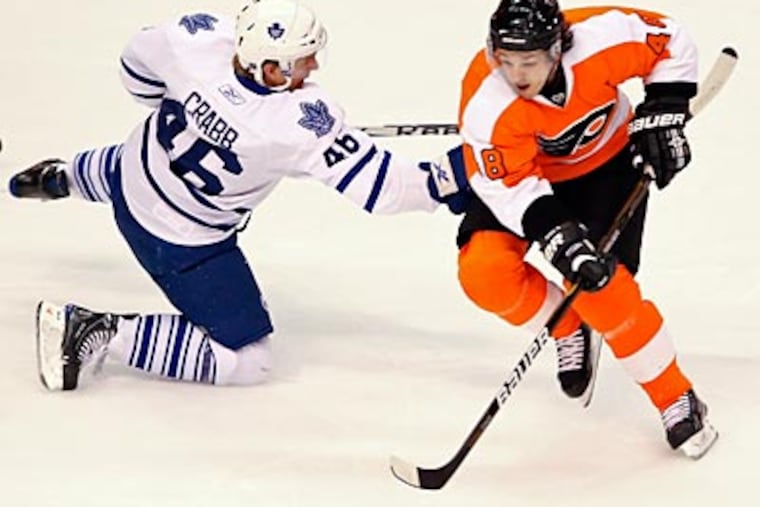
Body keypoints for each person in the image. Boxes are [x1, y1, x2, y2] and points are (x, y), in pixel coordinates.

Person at [9, 0, 469, 392]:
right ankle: (98, 332)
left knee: (144, 164)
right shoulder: (299, 124)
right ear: (272, 70)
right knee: (248, 357)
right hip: (178, 243)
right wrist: (451, 178)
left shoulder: (198, 40)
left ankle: (62, 177)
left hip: (130, 169)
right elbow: (383, 187)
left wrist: (197, 108)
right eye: (304, 58)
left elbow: (136, 69)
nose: (314, 66)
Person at [454, 0, 717, 458]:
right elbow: (509, 188)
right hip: (528, 179)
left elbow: (670, 40)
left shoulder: (602, 37)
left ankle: (675, 396)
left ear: (557, 50)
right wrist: (557, 235)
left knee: (602, 289)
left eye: (529, 62)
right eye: (506, 59)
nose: (516, 74)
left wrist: (663, 110)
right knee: (483, 273)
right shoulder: (486, 102)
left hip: (606, 168)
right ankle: (565, 326)